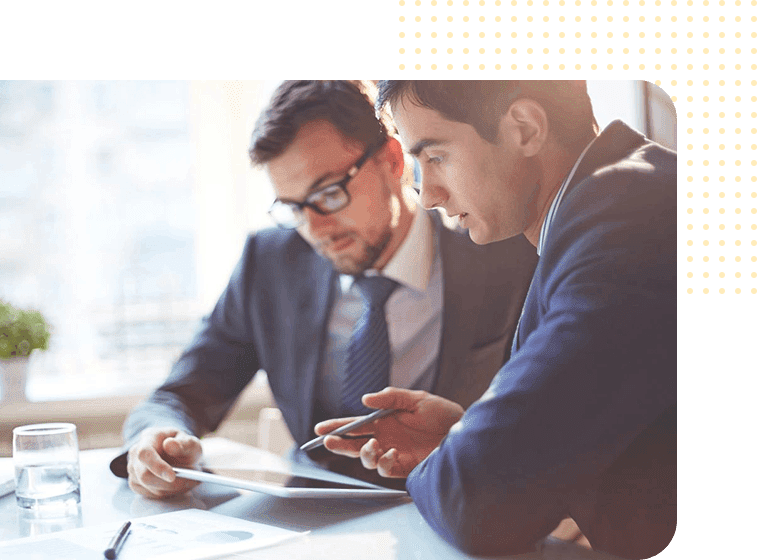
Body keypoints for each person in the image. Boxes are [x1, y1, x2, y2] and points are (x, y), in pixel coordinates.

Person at [109, 80, 538, 497]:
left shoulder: (504, 256)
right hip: (312, 522)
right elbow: (181, 393)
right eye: (294, 208)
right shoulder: (269, 264)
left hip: (448, 514)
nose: (315, 230)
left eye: (328, 195)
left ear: (392, 161)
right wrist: (155, 438)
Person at [316, 81, 677, 560]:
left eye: (436, 155)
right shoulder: (605, 205)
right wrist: (462, 439)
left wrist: (462, 462)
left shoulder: (624, 226)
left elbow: (478, 503)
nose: (427, 195)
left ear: (525, 129)